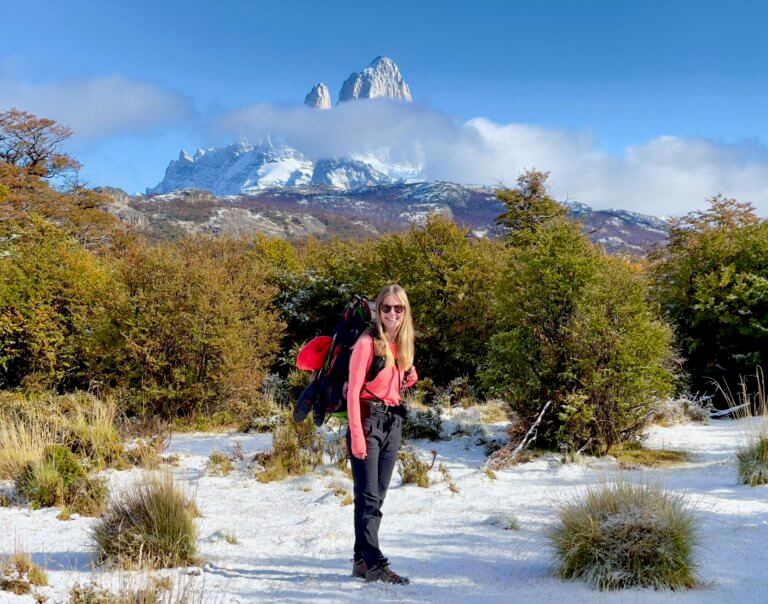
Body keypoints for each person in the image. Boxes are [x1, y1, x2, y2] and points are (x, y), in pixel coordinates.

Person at [346, 284, 418, 584]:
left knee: (377, 497)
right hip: (367, 421)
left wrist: (407, 378)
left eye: (397, 308)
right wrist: (357, 435)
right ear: (379, 310)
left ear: (405, 312)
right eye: (386, 308)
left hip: (393, 424)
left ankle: (361, 561)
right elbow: (352, 393)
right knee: (368, 496)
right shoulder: (367, 343)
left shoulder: (401, 345)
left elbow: (391, 384)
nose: (391, 313)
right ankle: (374, 564)